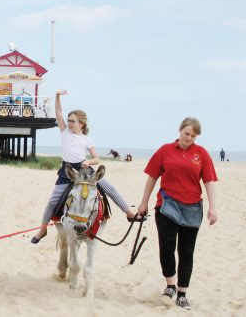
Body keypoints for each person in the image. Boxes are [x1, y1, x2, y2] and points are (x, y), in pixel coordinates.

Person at [31, 90, 138, 244]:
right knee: (52, 201)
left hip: (85, 170)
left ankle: (129, 212)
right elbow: (58, 112)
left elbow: (97, 158)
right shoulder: (65, 132)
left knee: (110, 188)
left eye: (73, 121)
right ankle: (42, 229)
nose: (69, 123)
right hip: (67, 171)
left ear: (81, 124)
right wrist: (57, 96)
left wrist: (89, 162)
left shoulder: (87, 139)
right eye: (68, 121)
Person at [137, 117, 218, 310]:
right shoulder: (165, 150)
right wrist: (143, 202)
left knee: (186, 252)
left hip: (192, 208)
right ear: (180, 130)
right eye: (186, 133)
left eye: (193, 135)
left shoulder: (201, 154)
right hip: (167, 206)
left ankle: (182, 293)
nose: (189, 138)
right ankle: (170, 286)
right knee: (167, 247)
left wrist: (213, 207)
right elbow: (152, 178)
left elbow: (209, 182)